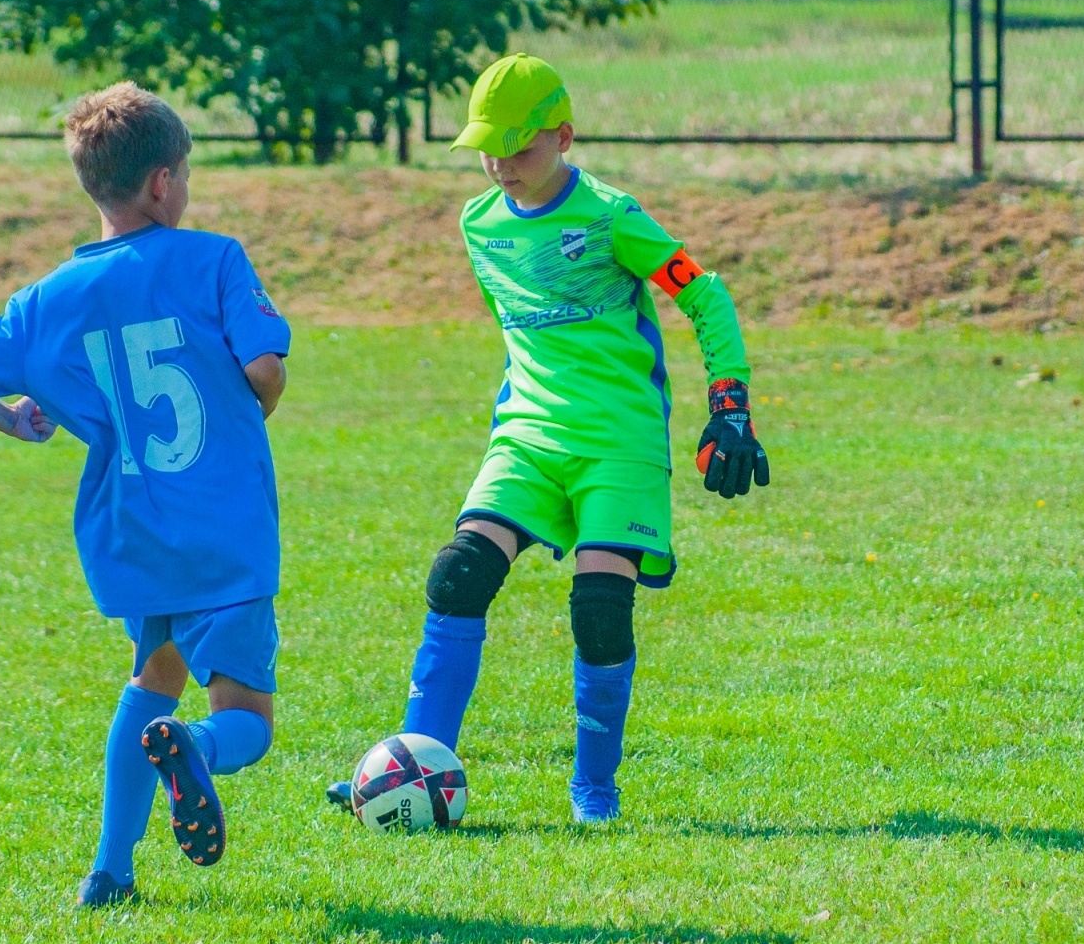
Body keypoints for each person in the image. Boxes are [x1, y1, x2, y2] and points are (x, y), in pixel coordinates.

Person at [328, 53, 769, 825]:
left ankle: (594, 793)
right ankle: (410, 769)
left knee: (600, 608)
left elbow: (703, 293)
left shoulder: (612, 216)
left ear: (565, 136)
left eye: (521, 148)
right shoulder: (477, 224)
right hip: (528, 436)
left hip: (618, 444)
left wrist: (729, 402)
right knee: (458, 576)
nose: (502, 165)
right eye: (489, 149)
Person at [0, 83, 292, 906]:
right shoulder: (214, 258)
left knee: (153, 676)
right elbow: (264, 371)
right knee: (244, 717)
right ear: (163, 182)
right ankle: (196, 745)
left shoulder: (46, 300)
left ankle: (109, 872)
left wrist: (20, 420)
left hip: (132, 533)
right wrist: (256, 411)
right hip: (223, 530)